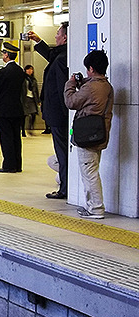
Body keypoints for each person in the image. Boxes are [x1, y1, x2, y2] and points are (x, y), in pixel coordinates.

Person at [64, 50, 113, 219]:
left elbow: (71, 102)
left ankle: (96, 208)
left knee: (90, 172)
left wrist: (70, 84)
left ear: (91, 68)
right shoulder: (106, 85)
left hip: (87, 135)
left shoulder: (91, 87)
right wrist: (83, 82)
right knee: (91, 170)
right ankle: (91, 205)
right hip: (99, 133)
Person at [28, 22, 69, 199]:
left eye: (58, 34)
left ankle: (65, 188)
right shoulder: (61, 55)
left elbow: (61, 90)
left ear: (65, 37)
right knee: (62, 152)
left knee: (62, 152)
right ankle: (66, 185)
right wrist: (38, 41)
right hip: (59, 115)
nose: (55, 36)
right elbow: (52, 54)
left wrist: (65, 115)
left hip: (59, 116)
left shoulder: (61, 60)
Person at [0, 42, 26, 173]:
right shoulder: (20, 71)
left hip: (4, 109)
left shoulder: (3, 72)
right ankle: (17, 164)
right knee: (16, 137)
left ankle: (9, 165)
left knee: (6, 138)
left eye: (3, 53)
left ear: (6, 55)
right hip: (17, 108)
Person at [22, 64, 40, 136]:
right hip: (25, 98)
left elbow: (36, 91)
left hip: (32, 98)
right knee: (24, 115)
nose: (30, 71)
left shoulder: (33, 80)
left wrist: (38, 100)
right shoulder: (23, 79)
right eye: (28, 69)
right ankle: (23, 130)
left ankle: (30, 128)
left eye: (31, 69)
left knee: (33, 114)